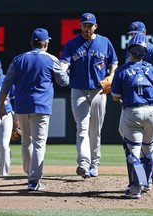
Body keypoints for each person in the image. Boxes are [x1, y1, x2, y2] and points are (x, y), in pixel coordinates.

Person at [0, 28, 69, 191]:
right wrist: (63, 69)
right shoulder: (51, 59)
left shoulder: (18, 59)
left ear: (31, 43)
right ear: (45, 43)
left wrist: (1, 104)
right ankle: (34, 180)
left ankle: (29, 172)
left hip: (21, 106)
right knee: (39, 143)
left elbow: (7, 82)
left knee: (26, 141)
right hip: (41, 106)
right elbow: (64, 82)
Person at [60, 12, 118, 179]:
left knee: (96, 130)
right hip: (78, 90)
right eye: (84, 25)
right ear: (80, 26)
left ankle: (95, 164)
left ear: (95, 26)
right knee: (82, 127)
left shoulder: (104, 42)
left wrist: (112, 75)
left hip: (99, 90)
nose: (87, 28)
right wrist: (61, 71)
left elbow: (114, 61)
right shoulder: (72, 44)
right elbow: (64, 63)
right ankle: (84, 163)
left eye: (90, 25)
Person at [111, 33, 153, 199]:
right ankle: (147, 183)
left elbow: (115, 96)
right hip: (151, 112)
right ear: (146, 52)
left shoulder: (121, 71)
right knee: (148, 151)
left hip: (132, 112)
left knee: (133, 153)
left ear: (129, 51)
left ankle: (136, 189)